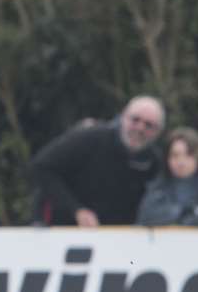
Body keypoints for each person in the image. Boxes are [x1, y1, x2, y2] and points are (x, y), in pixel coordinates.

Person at [31, 95, 165, 226]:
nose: (140, 128)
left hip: (113, 236)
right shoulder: (90, 138)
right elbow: (42, 167)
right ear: (123, 116)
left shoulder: (153, 162)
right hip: (58, 228)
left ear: (158, 132)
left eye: (149, 125)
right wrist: (76, 210)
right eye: (135, 120)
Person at [136, 127, 198, 226]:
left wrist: (181, 221)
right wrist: (185, 211)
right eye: (175, 155)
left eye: (188, 154)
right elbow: (145, 217)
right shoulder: (159, 184)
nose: (181, 162)